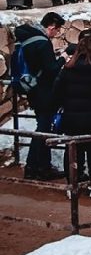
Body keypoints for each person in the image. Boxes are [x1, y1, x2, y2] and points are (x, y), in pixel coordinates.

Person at [53, 28, 91, 197]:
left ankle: (73, 185)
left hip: (71, 115)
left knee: (72, 150)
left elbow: (57, 90)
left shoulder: (68, 67)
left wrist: (64, 104)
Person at [14, 12, 65, 180]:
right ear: (51, 26)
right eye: (57, 30)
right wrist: (62, 58)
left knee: (41, 128)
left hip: (31, 89)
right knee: (43, 130)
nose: (56, 34)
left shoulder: (25, 39)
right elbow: (51, 70)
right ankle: (38, 167)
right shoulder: (43, 43)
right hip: (44, 92)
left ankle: (36, 166)